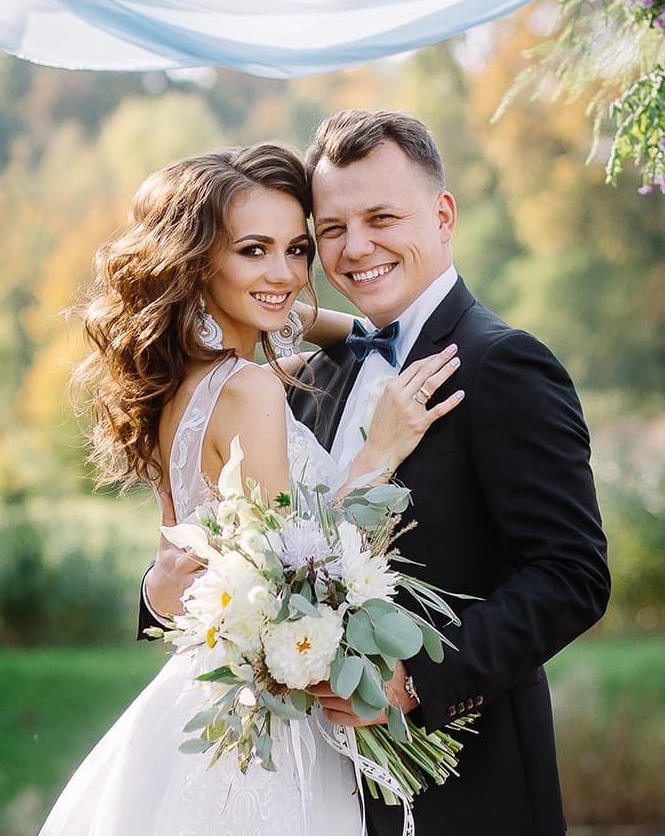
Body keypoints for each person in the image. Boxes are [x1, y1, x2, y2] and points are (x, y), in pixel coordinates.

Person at [146, 110, 609, 836]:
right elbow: (259, 549)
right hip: (312, 783)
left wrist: (413, 681)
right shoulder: (311, 375)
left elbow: (572, 575)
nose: (355, 247)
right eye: (329, 230)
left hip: (468, 789)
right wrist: (158, 593)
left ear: (444, 214)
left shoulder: (504, 365)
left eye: (382, 217)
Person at [44, 143, 464, 836]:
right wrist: (380, 449)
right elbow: (297, 565)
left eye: (299, 248)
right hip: (270, 724)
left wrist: (354, 328)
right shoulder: (251, 387)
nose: (286, 273)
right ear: (199, 259)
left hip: (205, 697)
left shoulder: (182, 379)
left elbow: (292, 313)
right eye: (254, 250)